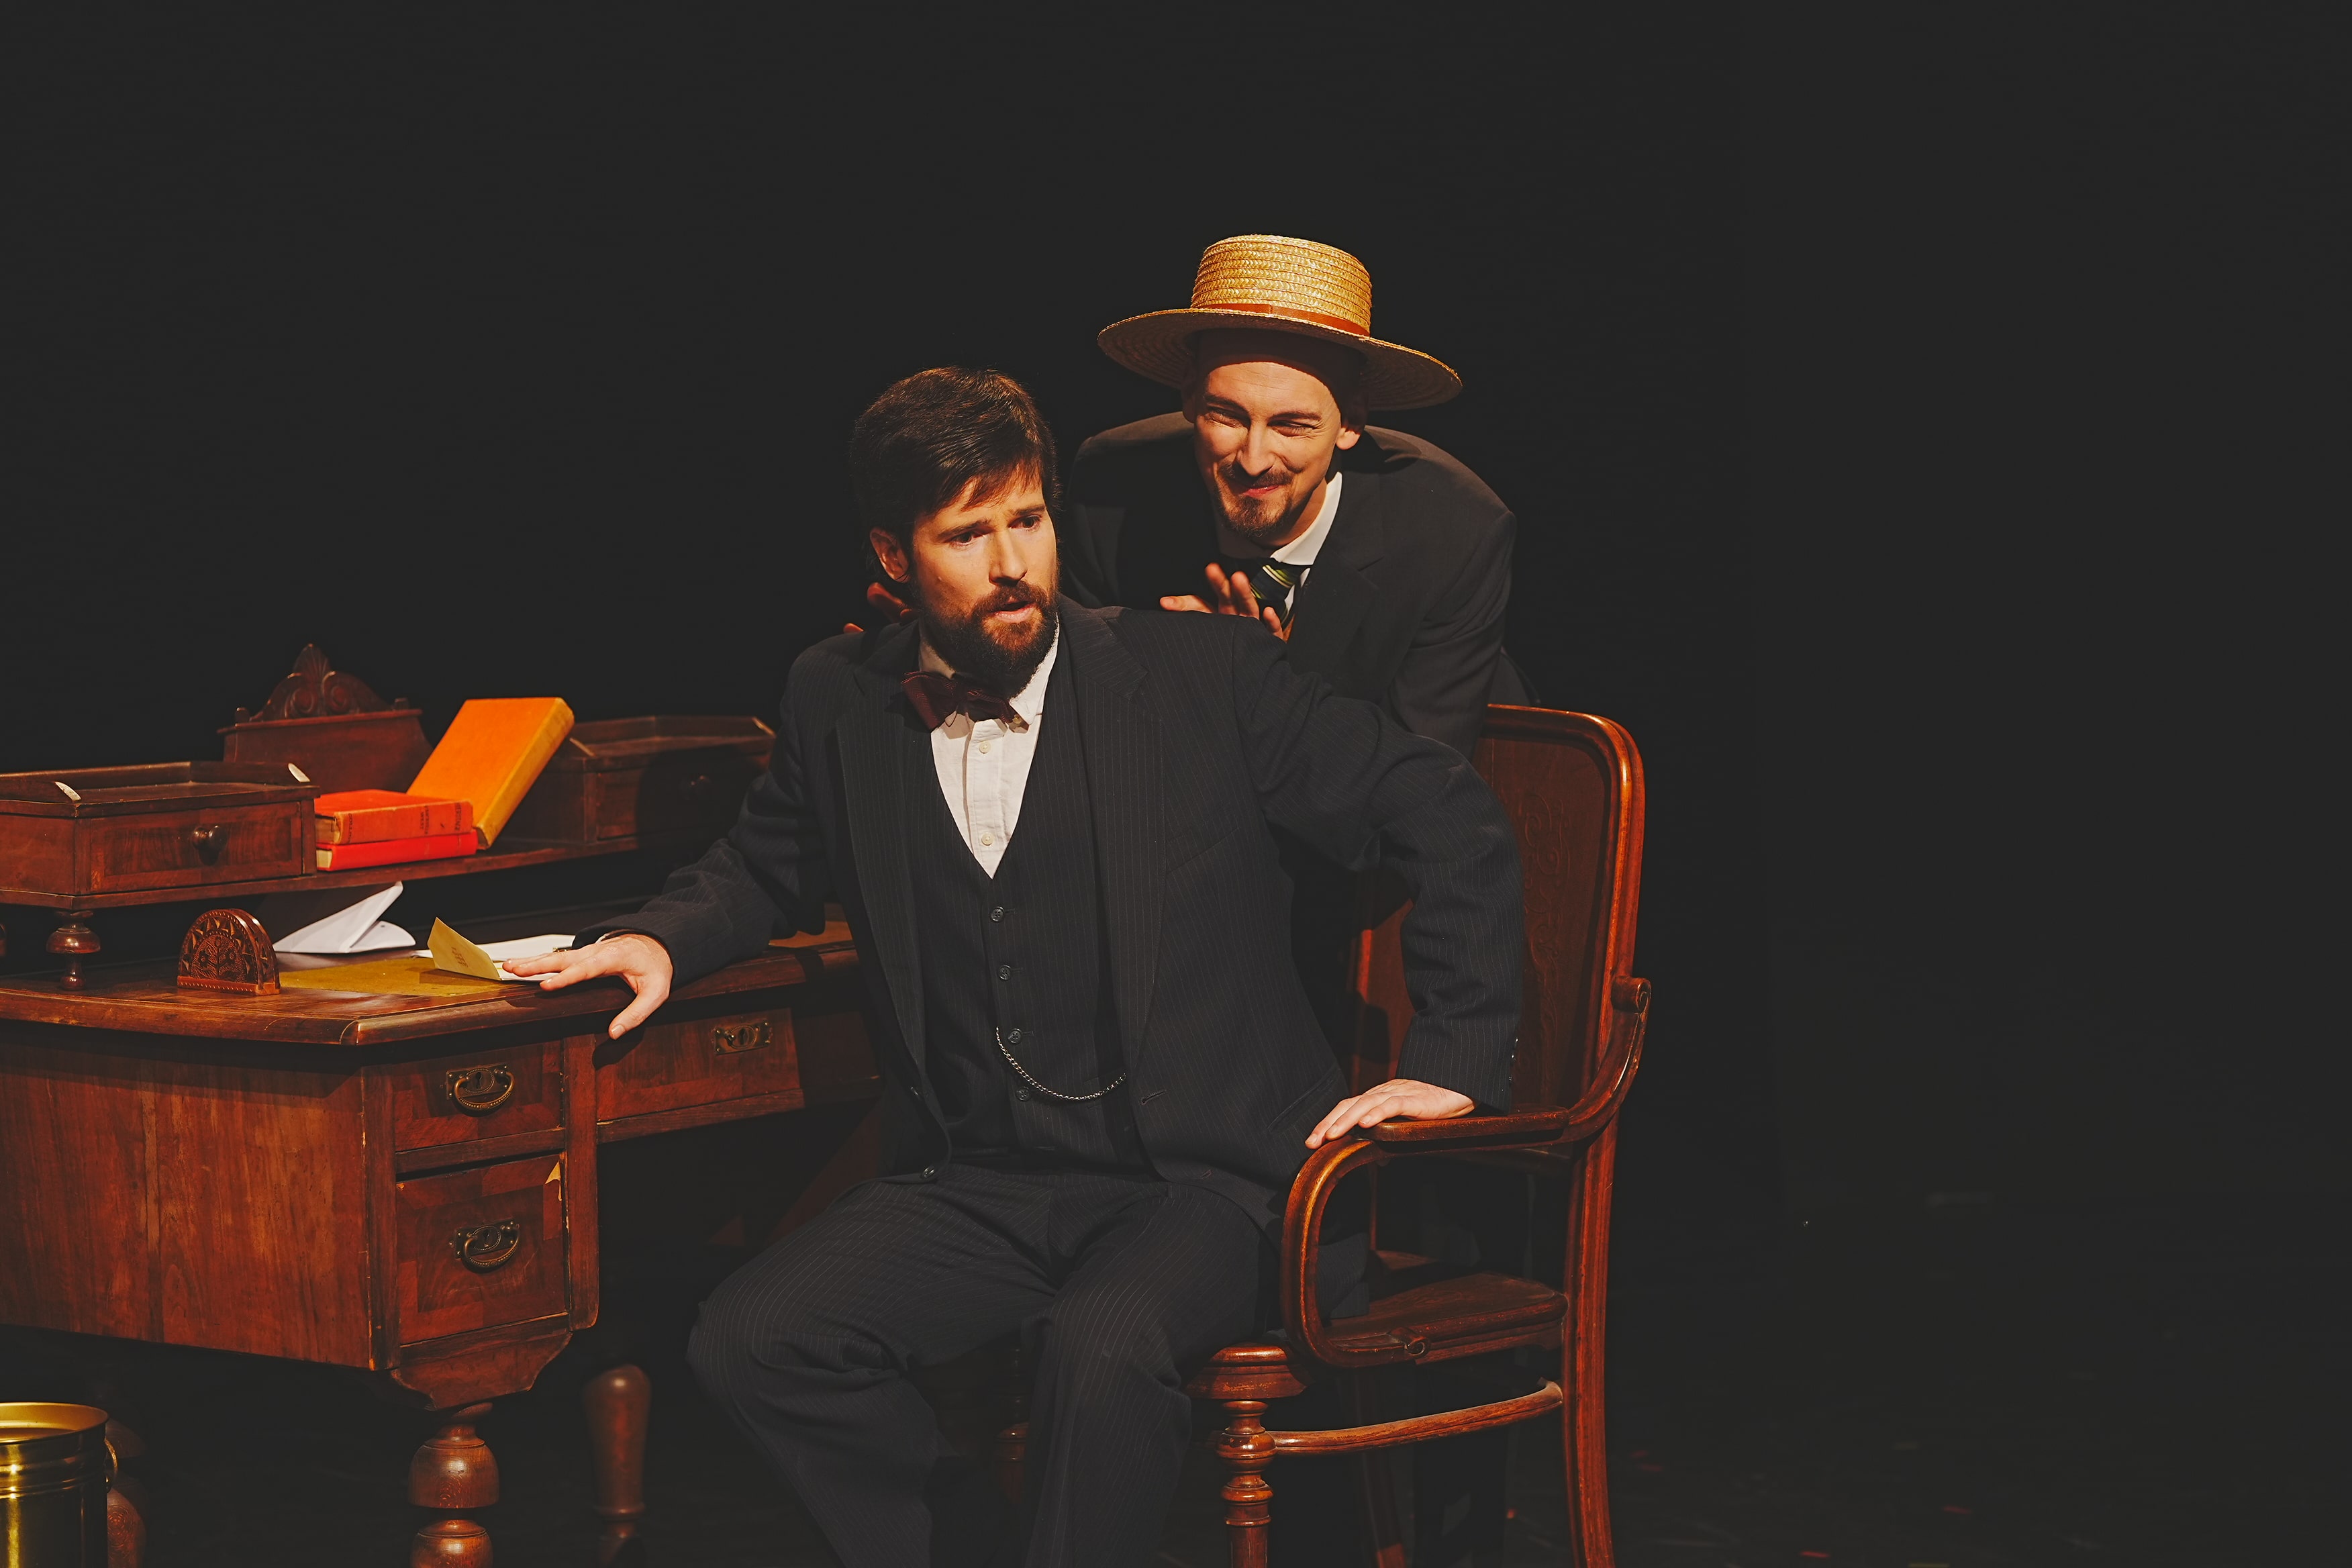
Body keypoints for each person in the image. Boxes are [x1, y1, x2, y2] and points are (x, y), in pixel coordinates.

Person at [512, 366, 1524, 1568]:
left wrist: (1453, 1059)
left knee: (1096, 1347)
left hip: (1208, 1181)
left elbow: (1442, 810)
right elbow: (764, 861)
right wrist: (661, 937)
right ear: (891, 555)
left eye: (1029, 520)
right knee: (756, 1340)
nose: (1010, 564)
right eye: (967, 534)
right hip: (982, 1176)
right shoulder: (838, 692)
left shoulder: (1199, 674)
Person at [1062, 233, 1532, 763]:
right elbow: (1086, 724)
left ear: (1351, 422)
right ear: (1189, 396)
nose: (1254, 459)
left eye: (1292, 425)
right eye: (1227, 416)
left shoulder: (1452, 530)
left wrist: (1261, 690)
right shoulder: (1110, 489)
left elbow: (1418, 784)